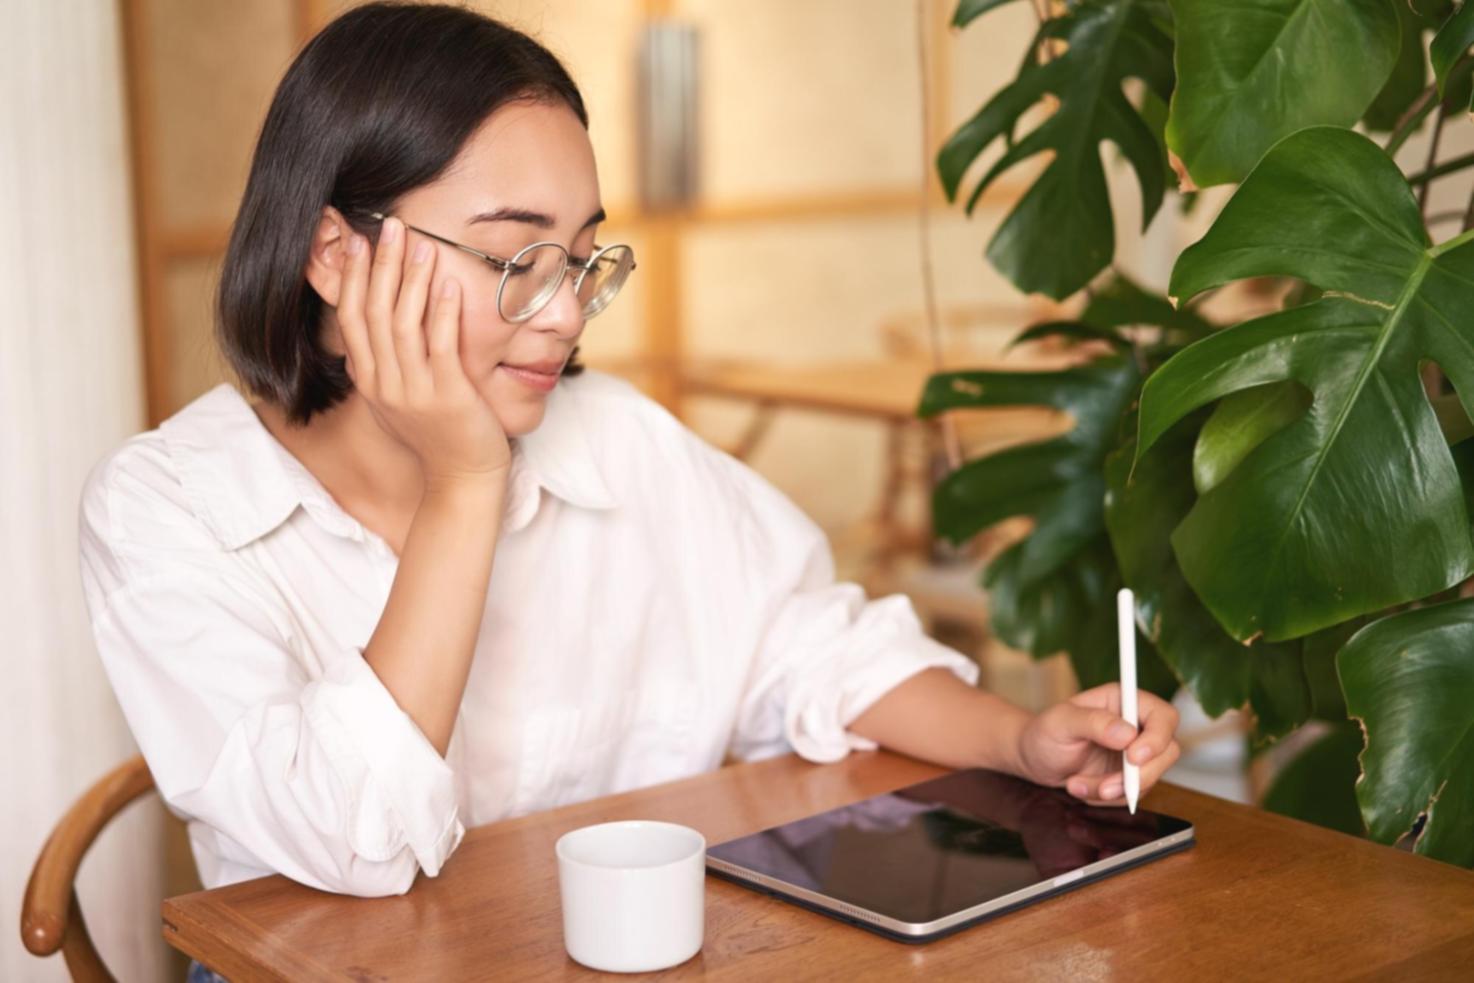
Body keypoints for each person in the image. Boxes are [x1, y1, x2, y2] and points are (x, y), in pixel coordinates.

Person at [78, 1, 1181, 910]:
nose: (564, 314)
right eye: (516, 257)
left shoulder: (616, 438)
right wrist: (467, 484)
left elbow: (812, 649)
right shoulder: (167, 507)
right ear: (335, 253)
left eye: (584, 258)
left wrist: (1020, 738)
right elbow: (354, 844)